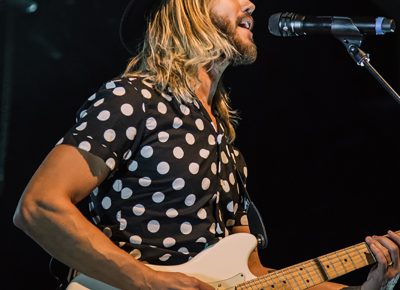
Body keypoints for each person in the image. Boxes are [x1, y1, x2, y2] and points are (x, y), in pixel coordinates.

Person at [13, 0, 400, 289]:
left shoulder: (225, 142)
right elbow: (38, 207)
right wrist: (150, 282)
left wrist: (367, 286)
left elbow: (254, 277)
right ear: (187, 8)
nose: (250, 3)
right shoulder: (134, 98)